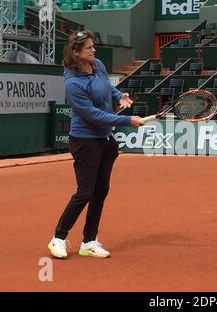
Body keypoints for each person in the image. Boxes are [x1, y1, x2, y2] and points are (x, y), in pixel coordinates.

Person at [47, 31, 145, 259]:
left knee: (101, 191)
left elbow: (108, 89)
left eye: (93, 46)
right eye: (89, 48)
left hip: (104, 140)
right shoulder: (73, 84)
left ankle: (89, 241)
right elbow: (93, 115)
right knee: (85, 192)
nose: (94, 50)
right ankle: (58, 238)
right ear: (75, 52)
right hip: (84, 141)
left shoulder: (97, 64)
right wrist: (126, 120)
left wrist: (120, 95)